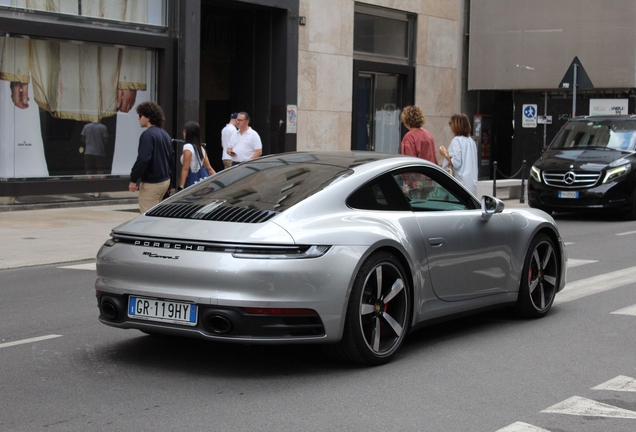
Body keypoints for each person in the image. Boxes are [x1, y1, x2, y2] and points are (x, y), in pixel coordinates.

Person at [0, 1, 148, 175]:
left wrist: (129, 76)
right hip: (54, 73)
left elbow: (136, 7)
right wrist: (18, 69)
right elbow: (21, 8)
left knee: (98, 177)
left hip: (105, 76)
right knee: (60, 173)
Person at [129, 101, 174, 213]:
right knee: (156, 215)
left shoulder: (148, 135)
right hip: (165, 181)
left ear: (148, 118)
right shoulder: (165, 134)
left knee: (146, 217)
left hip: (152, 183)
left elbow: (143, 159)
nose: (138, 118)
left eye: (140, 116)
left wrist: (133, 179)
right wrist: (170, 184)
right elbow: (171, 160)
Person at [439, 113, 478, 195]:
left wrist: (445, 154)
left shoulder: (456, 141)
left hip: (460, 183)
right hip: (472, 183)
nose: (450, 126)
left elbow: (455, 163)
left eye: (451, 123)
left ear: (456, 125)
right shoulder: (472, 142)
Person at [178, 121, 215, 190]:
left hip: (191, 182)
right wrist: (219, 179)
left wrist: (181, 186)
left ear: (187, 132)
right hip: (200, 182)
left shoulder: (187, 147)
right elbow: (209, 168)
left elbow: (186, 168)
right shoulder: (201, 148)